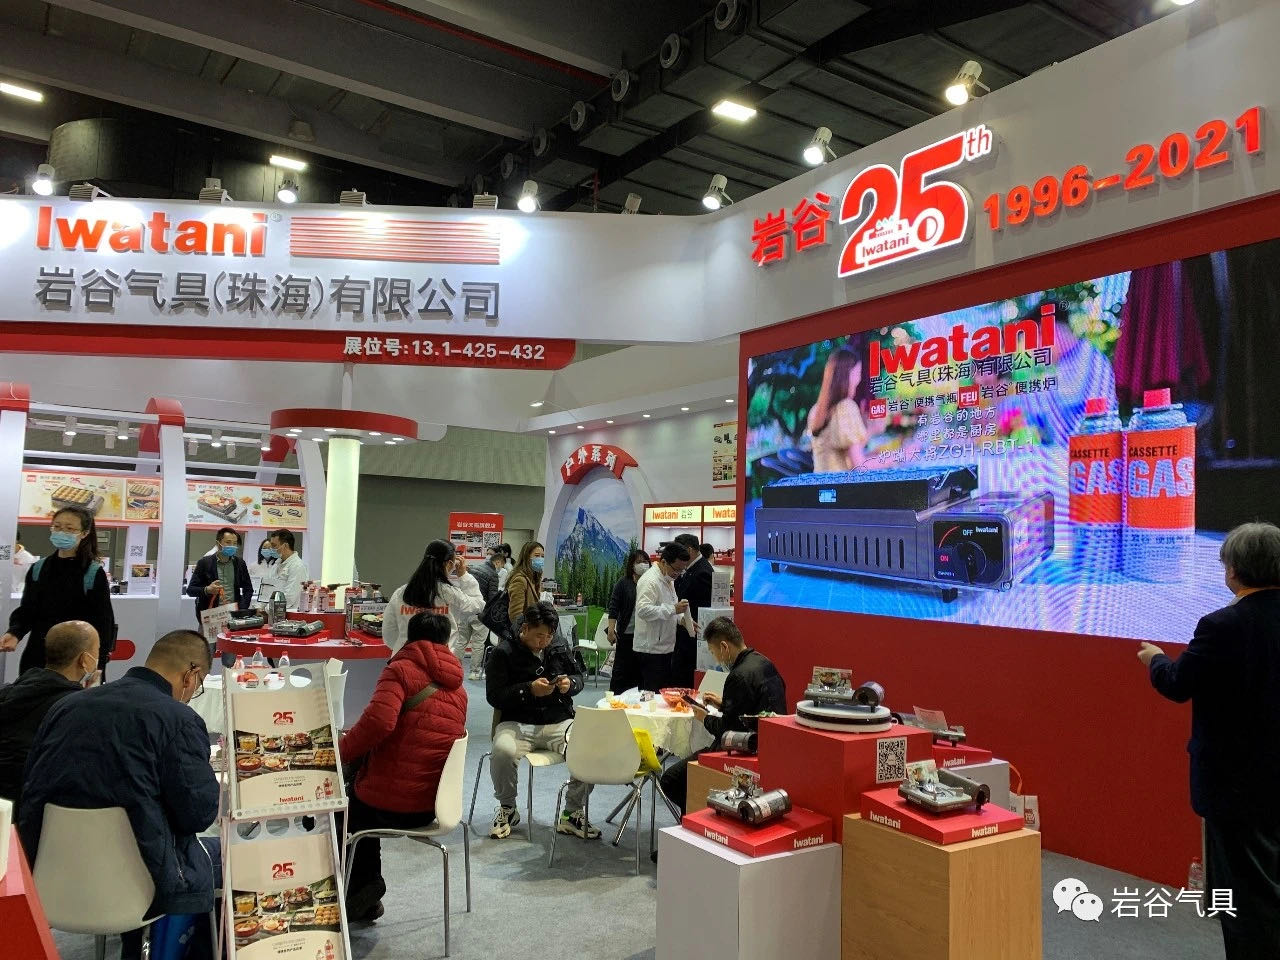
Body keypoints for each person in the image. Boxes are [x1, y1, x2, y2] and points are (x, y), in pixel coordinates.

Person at [19, 629, 219, 960]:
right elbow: (198, 814)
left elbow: (31, 787)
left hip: (46, 876)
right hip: (140, 885)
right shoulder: (179, 720)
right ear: (190, 675)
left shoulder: (65, 707)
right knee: (226, 855)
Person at [1138, 522, 1280, 960]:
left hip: (1235, 783)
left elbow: (1178, 683)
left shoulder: (1222, 625)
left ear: (1233, 569)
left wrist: (1155, 660)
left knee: (1245, 897)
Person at [338, 612, 466, 922]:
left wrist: (339, 752)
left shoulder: (400, 670)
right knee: (360, 802)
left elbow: (378, 723)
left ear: (410, 636)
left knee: (344, 807)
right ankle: (365, 893)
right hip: (432, 805)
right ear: (446, 641)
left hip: (391, 805)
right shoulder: (459, 690)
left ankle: (361, 891)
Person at [485, 601, 596, 840]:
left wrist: (570, 684)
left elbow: (578, 676)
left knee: (589, 749)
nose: (543, 642)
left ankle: (572, 813)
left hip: (559, 721)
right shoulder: (504, 652)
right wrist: (528, 690)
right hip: (517, 722)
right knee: (502, 751)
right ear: (525, 628)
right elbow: (494, 696)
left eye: (548, 636)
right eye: (538, 636)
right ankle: (508, 808)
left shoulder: (559, 646)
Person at [659, 617, 787, 815]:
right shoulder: (765, 663)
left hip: (742, 751)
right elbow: (751, 709)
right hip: (769, 747)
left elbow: (727, 731)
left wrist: (704, 717)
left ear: (724, 647)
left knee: (671, 780)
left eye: (713, 652)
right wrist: (723, 704)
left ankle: (698, 814)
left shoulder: (738, 676)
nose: (716, 659)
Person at [2, 507, 115, 677]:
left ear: (84, 533)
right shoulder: (38, 568)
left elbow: (104, 622)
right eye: (57, 527)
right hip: (37, 656)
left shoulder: (92, 573)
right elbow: (27, 610)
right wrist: (14, 633)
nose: (62, 532)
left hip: (77, 659)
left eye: (69, 528)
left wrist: (99, 662)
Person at [0, 621, 99, 808]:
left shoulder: (12, 692)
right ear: (85, 660)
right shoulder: (76, 709)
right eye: (98, 650)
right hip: (35, 807)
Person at [382, 540, 483, 656]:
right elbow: (478, 605)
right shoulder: (450, 593)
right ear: (449, 564)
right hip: (441, 660)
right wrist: (464, 576)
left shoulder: (401, 593)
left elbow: (389, 631)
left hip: (405, 658)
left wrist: (402, 647)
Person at [633, 542, 691, 693]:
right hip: (650, 650)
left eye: (682, 570)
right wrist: (673, 609)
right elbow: (643, 610)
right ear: (664, 562)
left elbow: (671, 608)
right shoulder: (650, 581)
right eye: (676, 569)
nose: (678, 574)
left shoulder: (668, 579)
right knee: (651, 696)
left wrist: (683, 620)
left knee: (662, 695)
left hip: (665, 647)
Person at [807, 346, 869, 473]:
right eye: (857, 373)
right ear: (847, 374)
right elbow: (859, 467)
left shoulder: (816, 410)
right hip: (841, 484)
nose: (859, 379)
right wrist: (897, 456)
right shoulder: (845, 407)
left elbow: (846, 452)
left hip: (821, 484)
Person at [186, 528, 253, 625]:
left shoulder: (239, 563)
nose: (232, 546)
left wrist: (242, 607)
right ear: (218, 543)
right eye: (228, 542)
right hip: (211, 616)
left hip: (233, 616)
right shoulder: (205, 563)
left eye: (235, 543)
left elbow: (248, 589)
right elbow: (191, 590)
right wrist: (207, 590)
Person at [607, 548, 651, 694]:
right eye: (639, 562)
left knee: (641, 673)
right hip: (626, 635)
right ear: (632, 564)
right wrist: (611, 630)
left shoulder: (651, 583)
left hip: (645, 637)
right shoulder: (623, 583)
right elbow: (614, 607)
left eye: (645, 561)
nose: (643, 564)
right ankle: (616, 700)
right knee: (621, 672)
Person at [673, 533, 712, 688]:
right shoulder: (691, 569)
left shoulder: (702, 572)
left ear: (689, 550)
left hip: (691, 639)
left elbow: (699, 609)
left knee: (684, 682)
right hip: (684, 637)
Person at [466, 548, 505, 681]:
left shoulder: (474, 569)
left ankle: (455, 668)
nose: (501, 569)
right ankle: (474, 672)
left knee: (461, 641)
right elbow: (492, 597)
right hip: (480, 611)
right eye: (501, 565)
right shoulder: (493, 575)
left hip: (466, 609)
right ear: (498, 562)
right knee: (478, 643)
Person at [263, 529, 308, 609]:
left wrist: (266, 609)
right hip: (272, 611)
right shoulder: (276, 564)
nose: (271, 549)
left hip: (288, 612)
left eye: (274, 546)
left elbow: (289, 597)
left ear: (285, 546)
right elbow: (267, 590)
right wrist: (260, 607)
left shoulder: (298, 566)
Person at [505, 542, 546, 629]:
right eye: (537, 555)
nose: (540, 559)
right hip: (522, 632)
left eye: (542, 556)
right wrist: (524, 632)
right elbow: (515, 615)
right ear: (527, 557)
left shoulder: (534, 578)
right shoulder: (520, 580)